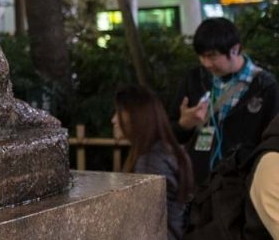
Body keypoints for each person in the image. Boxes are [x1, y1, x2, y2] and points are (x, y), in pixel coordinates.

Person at [169, 17, 279, 190]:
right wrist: (184, 124)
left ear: (235, 49)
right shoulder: (195, 79)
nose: (206, 63)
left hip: (241, 184)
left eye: (212, 57)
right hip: (199, 183)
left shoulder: (264, 86)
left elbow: (272, 140)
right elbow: (172, 132)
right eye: (202, 57)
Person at [113, 84, 193, 240]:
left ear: (137, 116)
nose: (114, 120)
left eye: (119, 113)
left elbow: (147, 225)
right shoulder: (167, 150)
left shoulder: (150, 162)